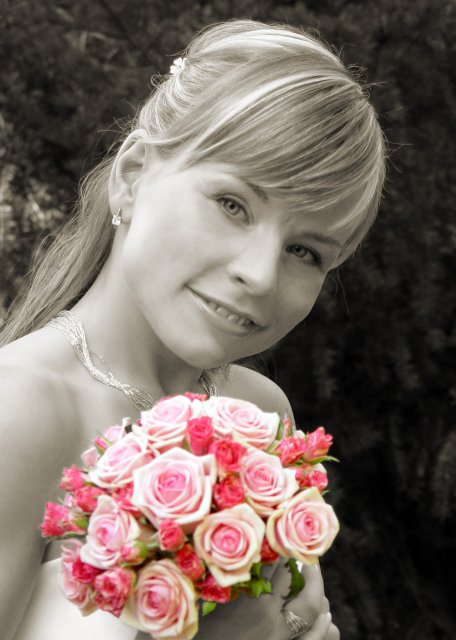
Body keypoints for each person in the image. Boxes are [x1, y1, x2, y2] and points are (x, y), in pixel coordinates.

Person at [0, 18, 385, 640]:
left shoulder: (259, 414)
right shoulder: (17, 410)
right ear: (132, 175)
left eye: (306, 251)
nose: (260, 274)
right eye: (233, 205)